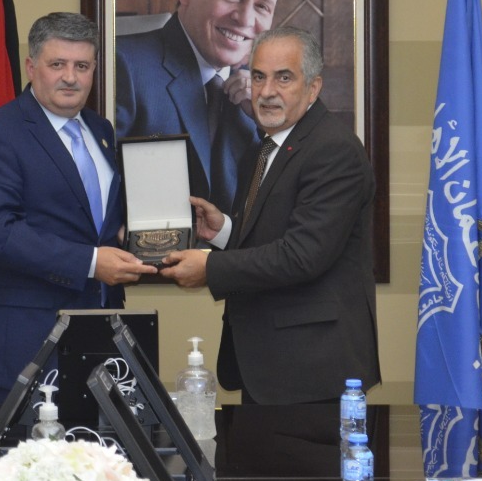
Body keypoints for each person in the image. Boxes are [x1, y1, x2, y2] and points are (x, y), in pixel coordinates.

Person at [160, 27, 380, 404]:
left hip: (313, 370)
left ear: (313, 88)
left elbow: (302, 255)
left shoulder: (333, 151)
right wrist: (224, 231)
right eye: (259, 77)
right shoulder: (263, 149)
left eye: (284, 78)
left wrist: (209, 267)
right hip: (269, 367)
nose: (266, 91)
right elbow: (272, 237)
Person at [0, 12, 156, 403]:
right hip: (25, 345)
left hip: (99, 340)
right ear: (31, 67)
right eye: (57, 64)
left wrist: (138, 234)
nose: (70, 77)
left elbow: (96, 222)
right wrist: (91, 262)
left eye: (82, 66)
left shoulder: (100, 130)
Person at [116, 0, 287, 215]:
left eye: (262, 6)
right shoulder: (124, 66)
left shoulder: (264, 93)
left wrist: (269, 125)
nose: (245, 19)